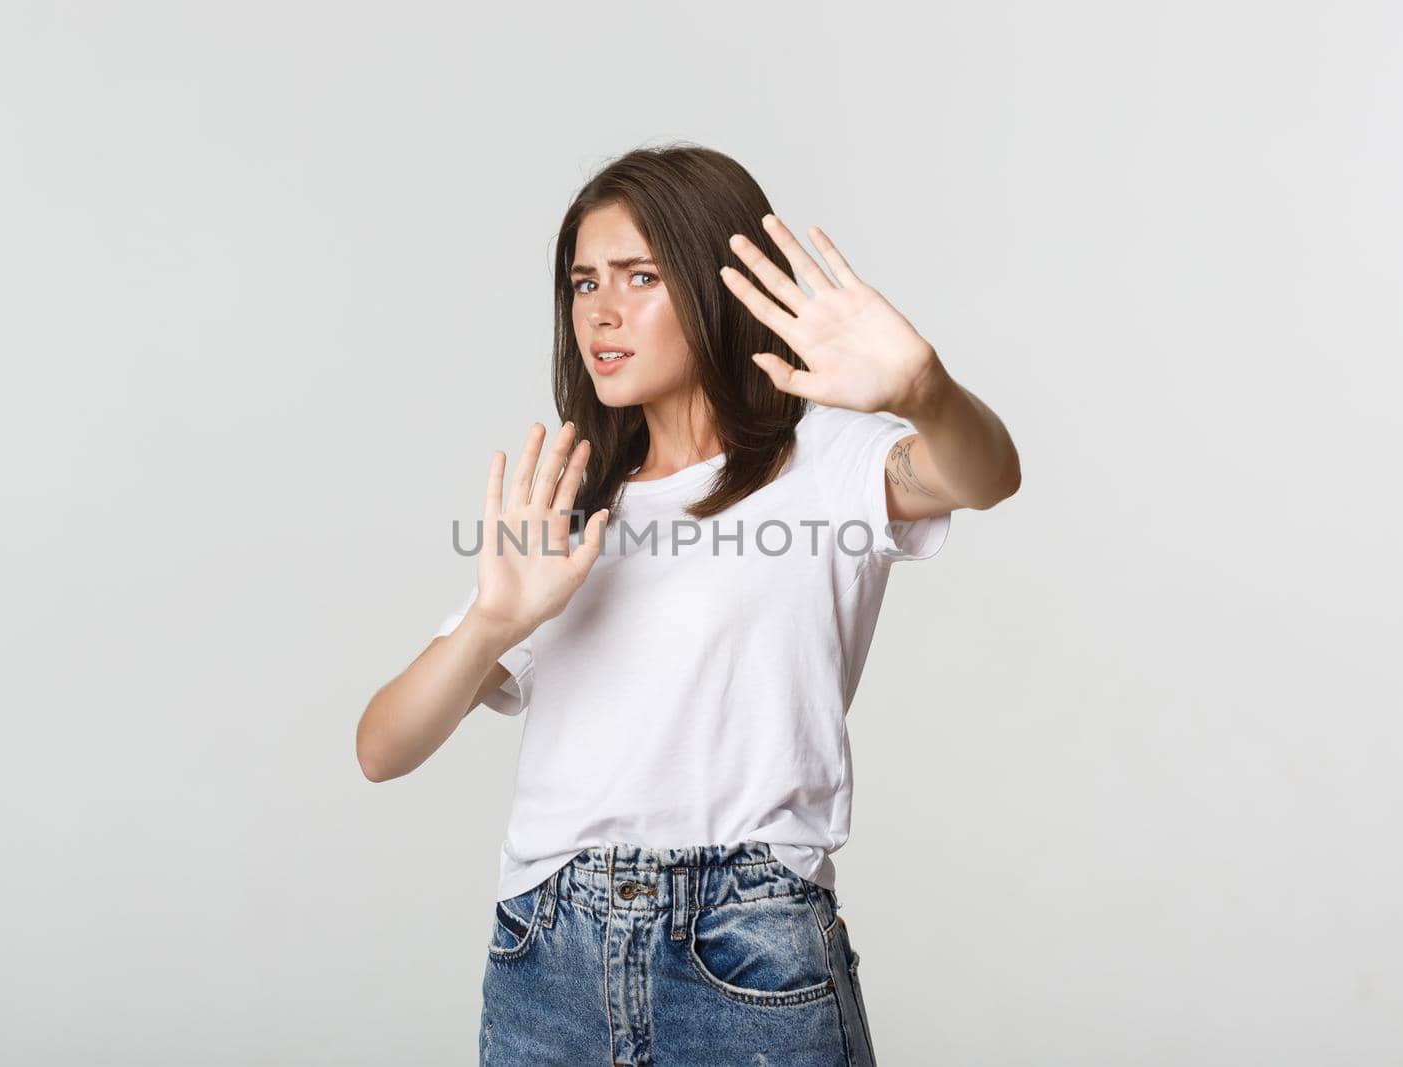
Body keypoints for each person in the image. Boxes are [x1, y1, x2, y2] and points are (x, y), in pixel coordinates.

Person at [356, 143, 1020, 1066]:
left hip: (745, 950)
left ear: (719, 289)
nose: (603, 310)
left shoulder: (822, 463)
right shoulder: (572, 513)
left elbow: (985, 473)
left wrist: (925, 391)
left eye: (640, 275)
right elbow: (382, 748)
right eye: (584, 282)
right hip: (549, 953)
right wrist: (494, 622)